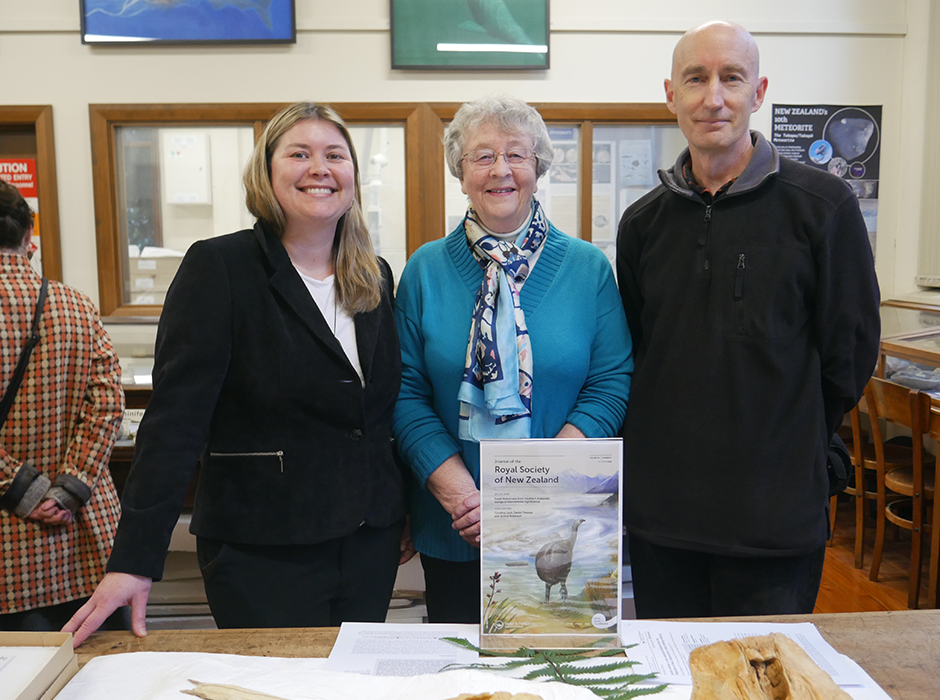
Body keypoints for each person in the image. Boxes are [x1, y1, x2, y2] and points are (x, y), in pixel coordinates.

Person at [64, 102, 410, 645]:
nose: (320, 168)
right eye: (300, 153)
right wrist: (134, 559)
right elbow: (175, 423)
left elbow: (381, 411)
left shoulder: (374, 275)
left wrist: (401, 507)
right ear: (266, 174)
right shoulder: (220, 267)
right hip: (263, 546)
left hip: (368, 541)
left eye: (335, 155)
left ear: (353, 177)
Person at [616, 21, 881, 618]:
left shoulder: (823, 207)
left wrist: (793, 441)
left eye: (731, 78)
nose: (714, 97)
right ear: (671, 94)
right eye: (696, 79)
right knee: (673, 677)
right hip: (664, 519)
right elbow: (640, 348)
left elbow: (851, 350)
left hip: (774, 519)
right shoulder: (642, 223)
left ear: (758, 91)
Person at [393, 94, 632, 623]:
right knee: (463, 672)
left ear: (538, 169)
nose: (501, 169)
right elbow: (404, 392)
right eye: (482, 156)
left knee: (558, 672)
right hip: (458, 525)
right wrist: (463, 498)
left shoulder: (588, 268)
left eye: (517, 155)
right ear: (461, 174)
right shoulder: (424, 271)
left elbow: (611, 381)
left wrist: (544, 491)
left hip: (561, 525)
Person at [0, 181, 127, 631]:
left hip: (9, 557)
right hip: (86, 541)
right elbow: (109, 405)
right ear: (28, 239)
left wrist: (25, 492)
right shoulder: (76, 304)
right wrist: (67, 489)